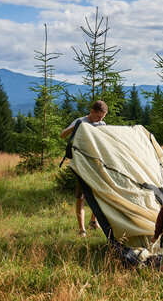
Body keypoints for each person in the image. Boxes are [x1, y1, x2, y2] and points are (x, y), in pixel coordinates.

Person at [60, 100, 108, 237]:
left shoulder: (102, 124)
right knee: (81, 197)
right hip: (81, 165)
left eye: (102, 118)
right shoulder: (80, 121)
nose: (99, 120)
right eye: (98, 117)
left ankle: (93, 221)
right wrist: (75, 127)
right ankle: (82, 229)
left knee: (98, 194)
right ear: (92, 111)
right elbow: (62, 135)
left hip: (97, 164)